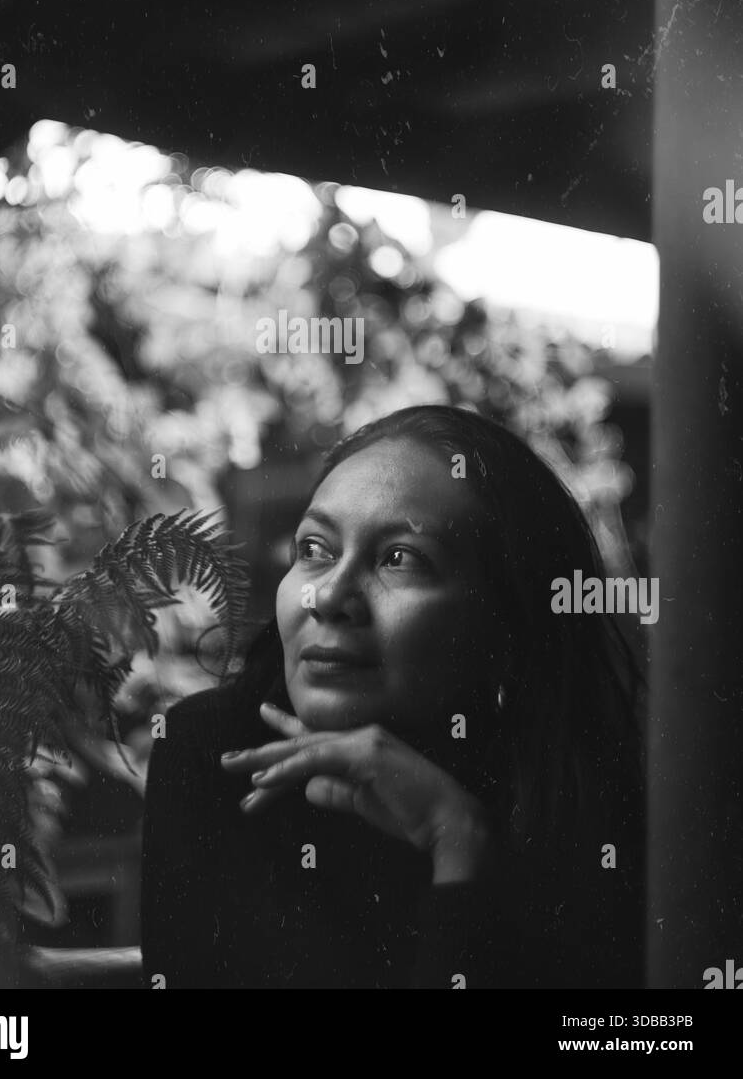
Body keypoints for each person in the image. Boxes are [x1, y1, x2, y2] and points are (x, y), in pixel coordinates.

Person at [140, 405, 645, 989]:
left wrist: (457, 840)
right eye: (315, 550)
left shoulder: (573, 798)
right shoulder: (213, 752)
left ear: (505, 623)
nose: (326, 597)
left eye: (398, 559)